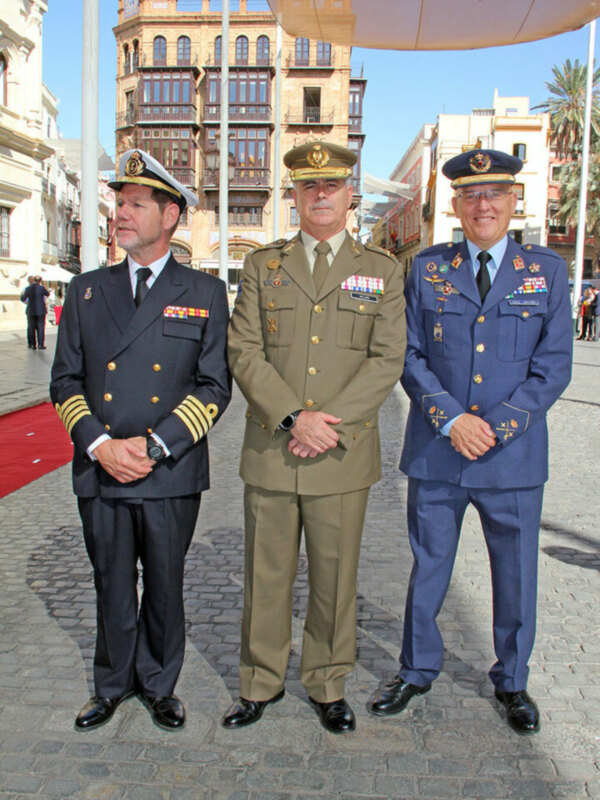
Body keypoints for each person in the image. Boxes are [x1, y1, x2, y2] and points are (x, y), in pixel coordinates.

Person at [367, 149, 572, 735]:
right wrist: (453, 420)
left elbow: (554, 367)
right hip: (439, 451)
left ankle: (512, 679)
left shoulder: (547, 272)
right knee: (429, 566)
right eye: (472, 195)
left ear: (515, 201)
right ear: (455, 205)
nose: (483, 205)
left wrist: (497, 425)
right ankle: (416, 668)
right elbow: (407, 355)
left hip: (512, 457)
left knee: (515, 572)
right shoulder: (428, 267)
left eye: (496, 194)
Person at [224, 141, 406, 734]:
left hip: (341, 453)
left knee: (335, 577)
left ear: (350, 195)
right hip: (274, 448)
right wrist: (291, 417)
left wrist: (326, 426)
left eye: (331, 186)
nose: (321, 195)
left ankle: (328, 683)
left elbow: (387, 359)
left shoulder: (381, 269)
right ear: (295, 195)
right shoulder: (262, 266)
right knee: (266, 574)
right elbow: (244, 350)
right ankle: (260, 681)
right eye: (309, 186)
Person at [50, 150, 231, 732]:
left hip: (168, 469)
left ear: (170, 215)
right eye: (118, 204)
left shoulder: (203, 291)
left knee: (164, 581)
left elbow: (213, 386)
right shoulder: (84, 291)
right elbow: (64, 381)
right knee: (110, 580)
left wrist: (154, 447)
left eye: (134, 204)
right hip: (101, 466)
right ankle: (111, 683)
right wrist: (101, 444)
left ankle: (157, 683)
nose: (119, 214)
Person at [21, 275, 49, 349]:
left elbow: (23, 298)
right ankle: (41, 344)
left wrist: (23, 297)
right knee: (41, 327)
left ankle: (33, 344)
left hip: (31, 310)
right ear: (40, 281)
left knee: (31, 327)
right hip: (41, 310)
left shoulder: (28, 289)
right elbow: (47, 294)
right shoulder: (42, 288)